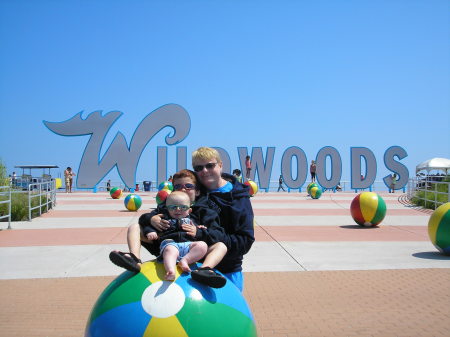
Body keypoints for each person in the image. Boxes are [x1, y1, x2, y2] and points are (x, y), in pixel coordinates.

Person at [152, 147, 255, 291]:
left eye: (210, 165)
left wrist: (206, 239)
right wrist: (153, 218)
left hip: (226, 270)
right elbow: (169, 207)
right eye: (199, 168)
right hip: (189, 267)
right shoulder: (192, 190)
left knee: (226, 313)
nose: (205, 171)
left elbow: (245, 241)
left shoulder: (238, 198)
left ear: (220, 165)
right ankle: (133, 258)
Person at [109, 169, 228, 287]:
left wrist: (199, 232)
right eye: (178, 186)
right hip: (166, 244)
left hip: (193, 249)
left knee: (221, 246)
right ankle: (135, 259)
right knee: (134, 227)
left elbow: (219, 234)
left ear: (197, 191)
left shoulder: (205, 212)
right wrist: (151, 219)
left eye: (188, 186)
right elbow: (143, 219)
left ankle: (204, 269)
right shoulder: (166, 208)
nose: (183, 189)